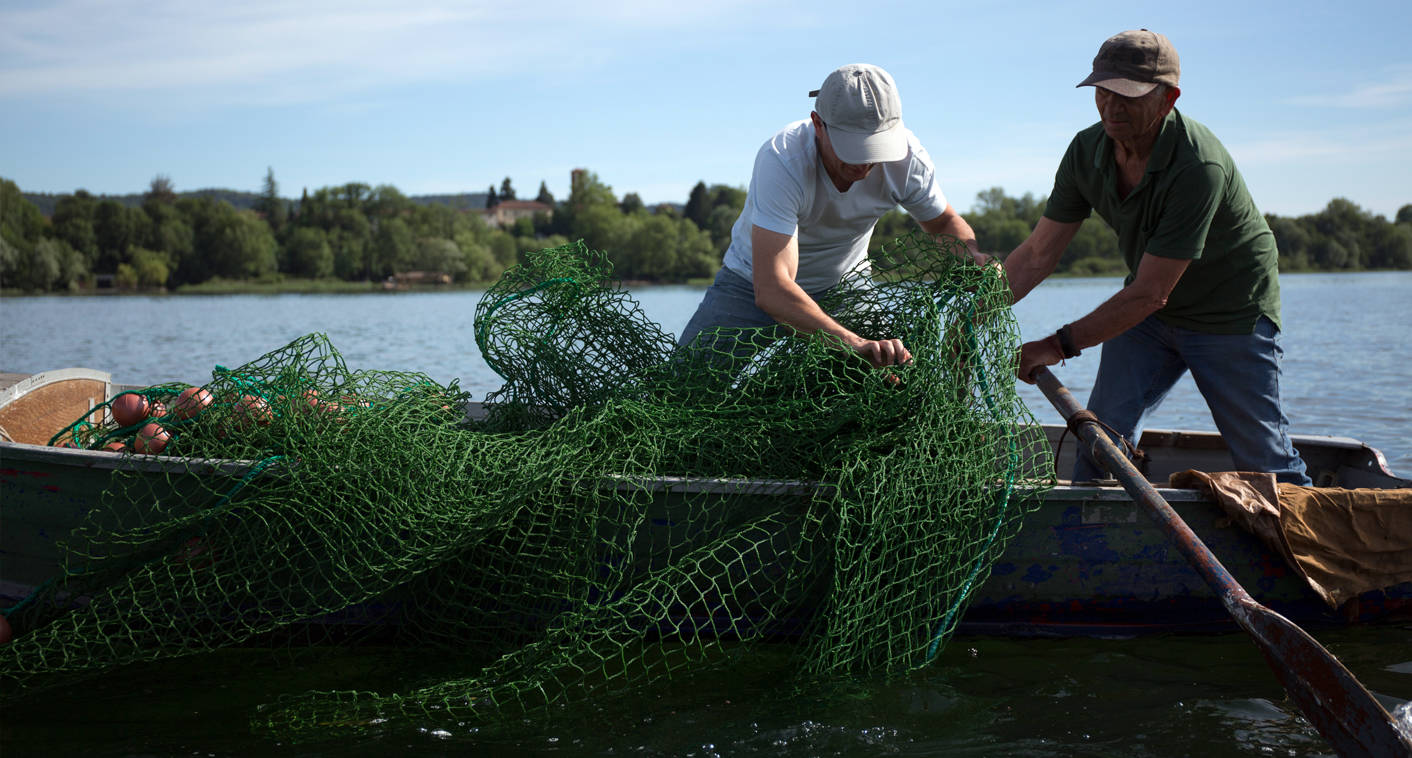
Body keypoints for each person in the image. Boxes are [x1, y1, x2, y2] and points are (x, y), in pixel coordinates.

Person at [1004, 29, 1311, 485]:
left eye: (1128, 96)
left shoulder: (1197, 165)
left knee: (1263, 461)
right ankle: (1094, 548)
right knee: (1101, 444)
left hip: (1230, 311)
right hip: (1147, 317)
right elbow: (1036, 255)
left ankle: (1305, 549)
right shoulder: (1086, 152)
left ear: (1168, 100)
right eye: (1103, 92)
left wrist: (1056, 345)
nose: (1112, 107)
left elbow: (1150, 293)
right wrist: (973, 313)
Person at [677, 63, 987, 369]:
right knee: (680, 388)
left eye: (875, 147)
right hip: (749, 285)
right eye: (853, 148)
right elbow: (773, 288)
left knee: (891, 380)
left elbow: (943, 223)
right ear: (817, 124)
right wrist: (854, 345)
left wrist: (971, 256)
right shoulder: (783, 159)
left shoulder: (908, 161)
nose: (864, 164)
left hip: (846, 288)